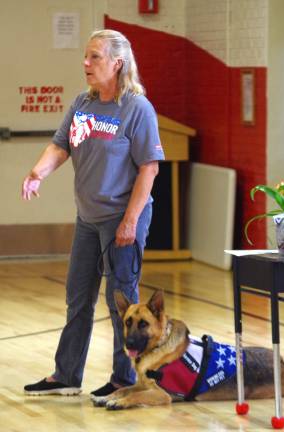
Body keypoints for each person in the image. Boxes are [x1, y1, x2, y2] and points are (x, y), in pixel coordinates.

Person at [22, 29, 164, 403]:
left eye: (95, 57)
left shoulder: (136, 108)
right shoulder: (83, 104)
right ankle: (66, 375)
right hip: (88, 217)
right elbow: (61, 145)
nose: (86, 63)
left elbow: (149, 169)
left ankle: (124, 378)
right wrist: (37, 174)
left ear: (117, 63)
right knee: (77, 297)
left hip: (122, 217)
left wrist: (130, 222)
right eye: (86, 56)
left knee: (122, 303)